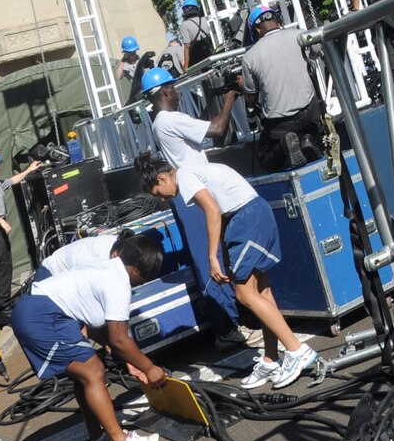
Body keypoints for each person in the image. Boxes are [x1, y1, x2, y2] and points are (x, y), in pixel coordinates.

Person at [134, 153, 316, 389]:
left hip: (246, 219)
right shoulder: (192, 170)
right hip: (252, 215)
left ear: (162, 178)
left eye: (158, 193)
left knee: (244, 294)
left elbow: (212, 210)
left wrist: (212, 257)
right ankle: (271, 359)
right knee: (262, 291)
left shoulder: (186, 176)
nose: (161, 200)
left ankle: (296, 350)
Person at [9, 231, 166, 441]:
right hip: (42, 317)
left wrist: (131, 360)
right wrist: (149, 367)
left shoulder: (105, 268)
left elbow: (97, 326)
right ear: (136, 270)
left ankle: (97, 440)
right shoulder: (118, 282)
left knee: (85, 373)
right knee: (93, 371)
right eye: (146, 277)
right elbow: (119, 339)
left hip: (39, 312)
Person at [240, 5, 326, 169]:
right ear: (278, 21)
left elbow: (252, 97)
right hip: (309, 112)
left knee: (265, 159)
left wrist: (246, 92)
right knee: (314, 116)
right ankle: (308, 139)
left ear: (257, 31)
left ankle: (284, 144)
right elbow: (316, 51)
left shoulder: (249, 57)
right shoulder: (299, 35)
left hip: (280, 124)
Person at [0, 148, 45, 327]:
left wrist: (29, 170)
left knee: (6, 266)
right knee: (1, 270)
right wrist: (1, 222)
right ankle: (3, 312)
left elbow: (12, 181)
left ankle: (1, 306)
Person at [142, 62, 238, 170]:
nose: (177, 93)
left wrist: (213, 98)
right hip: (198, 180)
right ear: (165, 91)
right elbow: (217, 129)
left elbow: (197, 126)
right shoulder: (172, 119)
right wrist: (230, 97)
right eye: (173, 88)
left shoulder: (158, 123)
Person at [175, 0, 217, 69]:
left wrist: (186, 67)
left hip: (196, 59)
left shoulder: (184, 25)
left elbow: (187, 47)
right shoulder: (206, 20)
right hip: (209, 54)